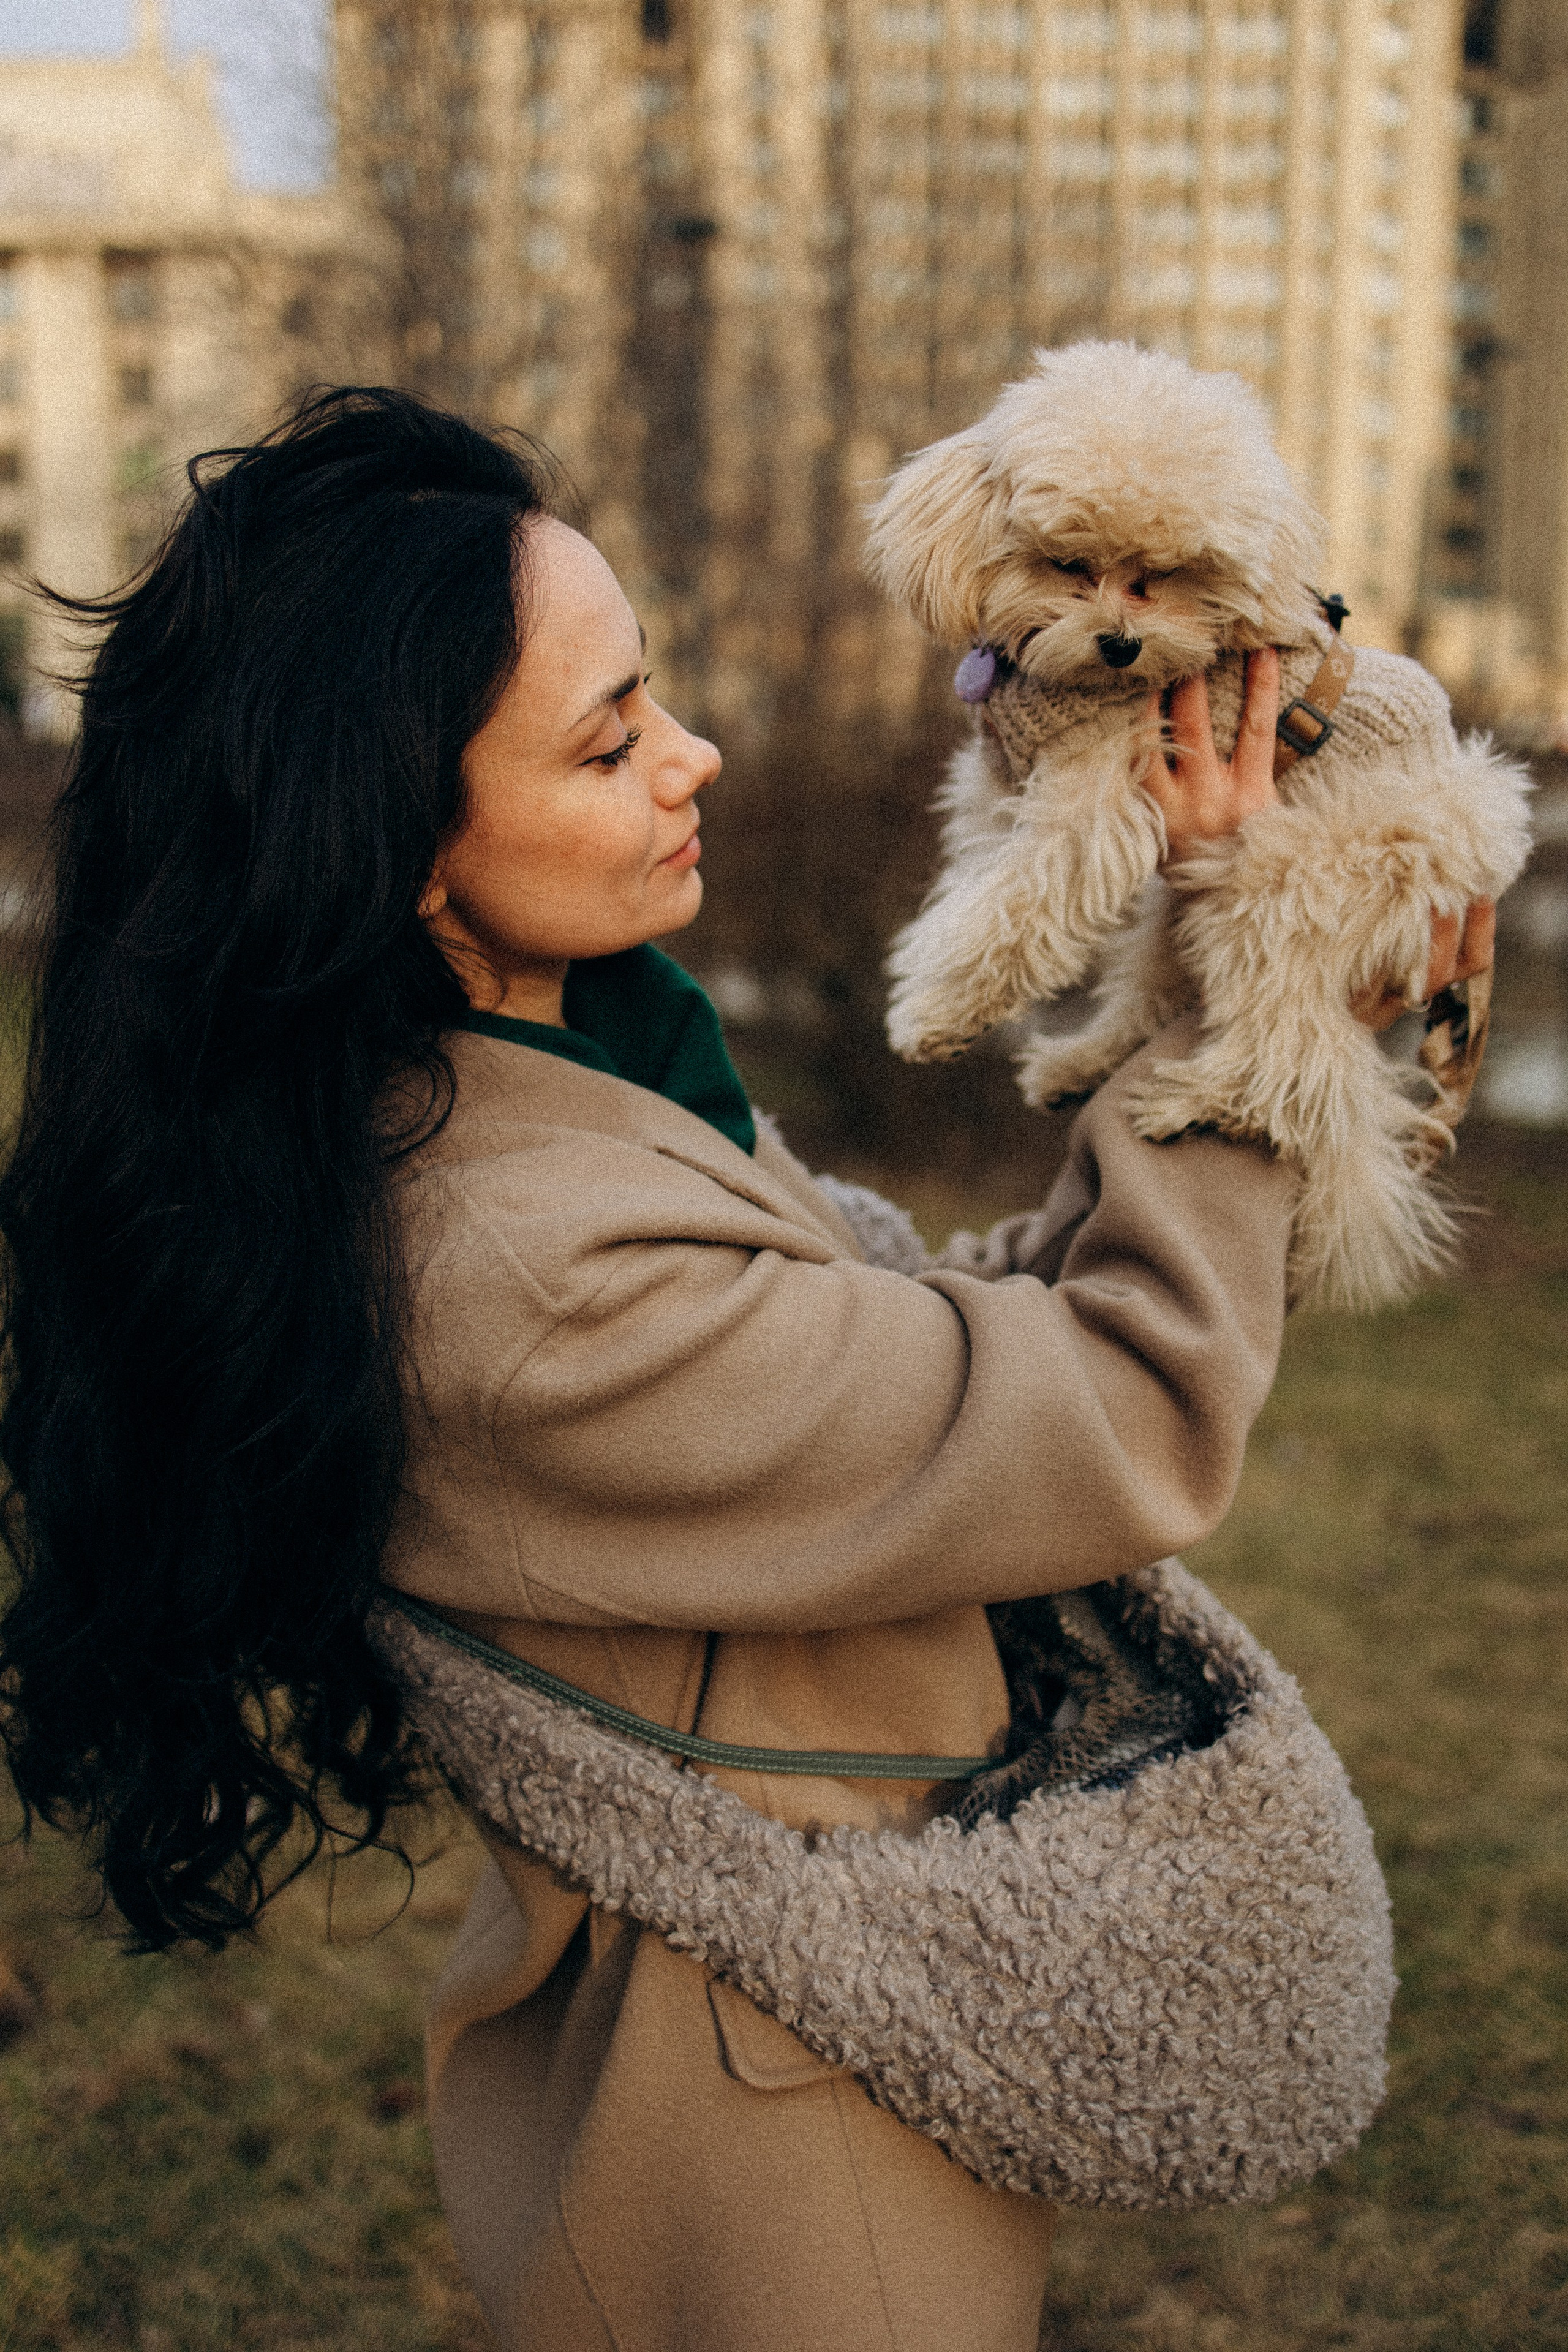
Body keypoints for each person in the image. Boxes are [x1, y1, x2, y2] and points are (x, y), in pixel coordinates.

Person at [0, 390, 1493, 2352]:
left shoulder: (552, 1073)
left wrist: (1266, 981)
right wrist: (1244, 988)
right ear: (404, 850)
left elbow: (929, 1361)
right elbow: (1113, 1413)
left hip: (801, 2019)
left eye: (659, 697)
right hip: (779, 2127)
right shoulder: (521, 1265)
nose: (693, 758)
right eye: (612, 741)